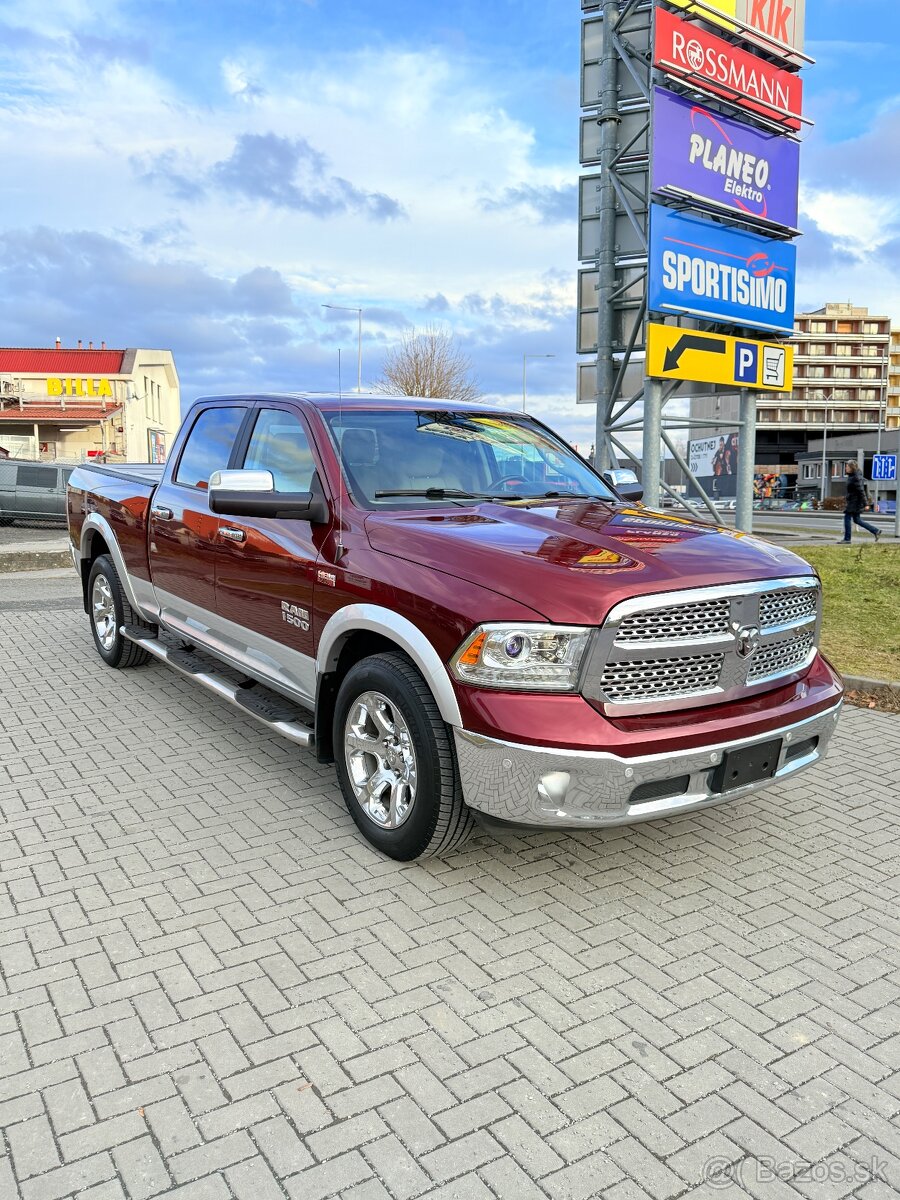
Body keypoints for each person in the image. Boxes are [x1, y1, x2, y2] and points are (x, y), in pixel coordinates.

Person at [838, 460, 881, 543]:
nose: (845, 468)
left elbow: (861, 491)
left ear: (852, 467)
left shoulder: (856, 477)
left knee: (847, 517)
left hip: (855, 502)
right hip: (854, 501)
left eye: (847, 467)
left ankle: (847, 539)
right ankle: (876, 531)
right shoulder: (852, 476)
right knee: (857, 520)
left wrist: (866, 503)